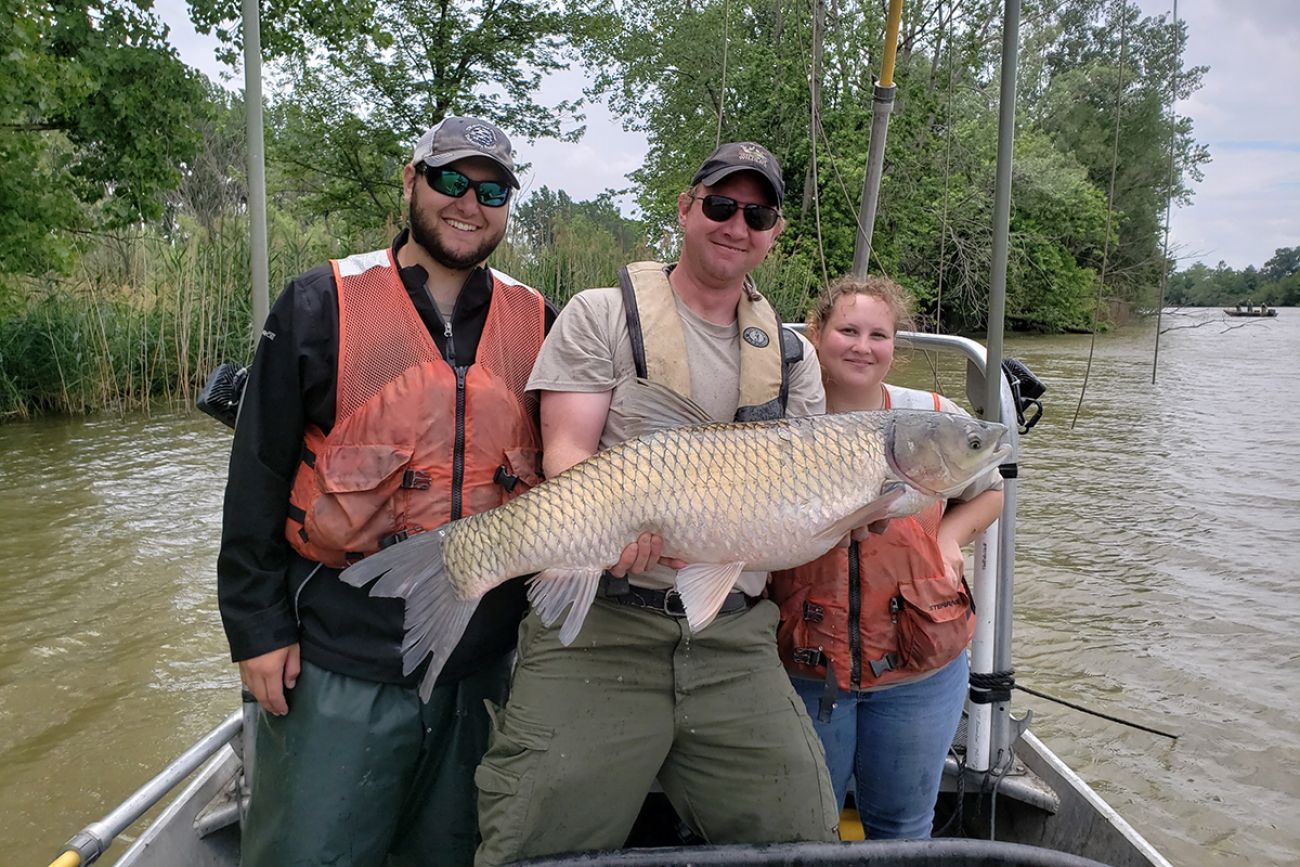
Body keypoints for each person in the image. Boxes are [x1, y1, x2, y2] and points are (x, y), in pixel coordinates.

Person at [473, 142, 839, 865]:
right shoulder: (600, 315)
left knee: (806, 836)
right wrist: (608, 531)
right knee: (532, 838)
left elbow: (804, 502)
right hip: (604, 622)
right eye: (721, 205)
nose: (737, 224)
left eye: (757, 213)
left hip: (732, 636)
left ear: (774, 231)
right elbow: (567, 455)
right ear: (685, 207)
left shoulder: (793, 356)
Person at [216, 116, 555, 867]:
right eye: (450, 181)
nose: (470, 203)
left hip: (480, 664)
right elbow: (257, 476)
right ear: (411, 181)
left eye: (492, 189)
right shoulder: (318, 303)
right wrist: (256, 627)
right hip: (340, 657)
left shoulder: (539, 320)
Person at [768, 275, 1005, 840]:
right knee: (804, 827)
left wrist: (949, 539)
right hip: (805, 664)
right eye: (847, 330)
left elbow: (991, 491)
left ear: (894, 345)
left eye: (880, 334)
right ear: (817, 333)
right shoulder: (778, 416)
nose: (862, 346)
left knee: (901, 825)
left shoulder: (936, 415)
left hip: (919, 663)